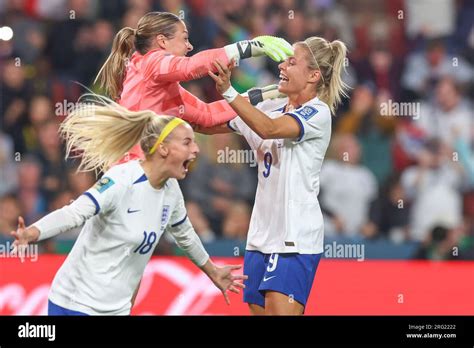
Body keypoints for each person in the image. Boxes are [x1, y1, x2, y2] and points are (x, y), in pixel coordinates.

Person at [10, 96, 247, 315]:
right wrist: (33, 232)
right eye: (187, 142)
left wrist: (212, 270)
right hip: (76, 303)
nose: (195, 149)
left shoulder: (171, 189)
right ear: (163, 148)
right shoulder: (122, 180)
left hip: (117, 309)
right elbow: (75, 213)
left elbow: (185, 235)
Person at [198, 36, 349, 315]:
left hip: (294, 237)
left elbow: (269, 129)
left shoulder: (318, 113)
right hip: (260, 235)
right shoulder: (269, 106)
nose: (282, 66)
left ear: (314, 75)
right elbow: (207, 124)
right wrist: (165, 98)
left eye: (292, 62)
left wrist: (230, 92)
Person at [94, 11, 293, 162]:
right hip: (133, 173)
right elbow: (191, 67)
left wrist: (266, 94)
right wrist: (248, 47)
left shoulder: (166, 87)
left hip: (153, 172)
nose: (189, 46)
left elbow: (208, 115)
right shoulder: (150, 63)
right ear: (162, 42)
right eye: (185, 38)